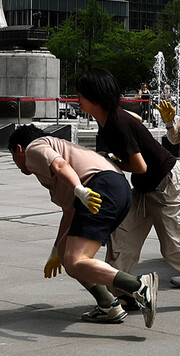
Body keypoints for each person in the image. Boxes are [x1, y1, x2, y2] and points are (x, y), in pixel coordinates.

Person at [76, 68, 180, 306]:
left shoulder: (116, 123)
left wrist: (110, 162)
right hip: (144, 188)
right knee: (123, 238)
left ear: (96, 96)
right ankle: (122, 293)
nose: (77, 98)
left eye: (81, 94)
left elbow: (139, 166)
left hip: (167, 184)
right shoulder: (109, 119)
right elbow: (138, 122)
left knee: (175, 249)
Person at [8, 125, 158, 327]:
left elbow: (60, 165)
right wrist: (56, 251)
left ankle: (138, 286)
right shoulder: (57, 153)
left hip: (100, 188)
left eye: (14, 157)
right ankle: (108, 305)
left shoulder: (34, 147)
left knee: (76, 260)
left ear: (19, 149)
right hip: (117, 189)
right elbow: (69, 213)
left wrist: (80, 189)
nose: (17, 164)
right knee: (66, 253)